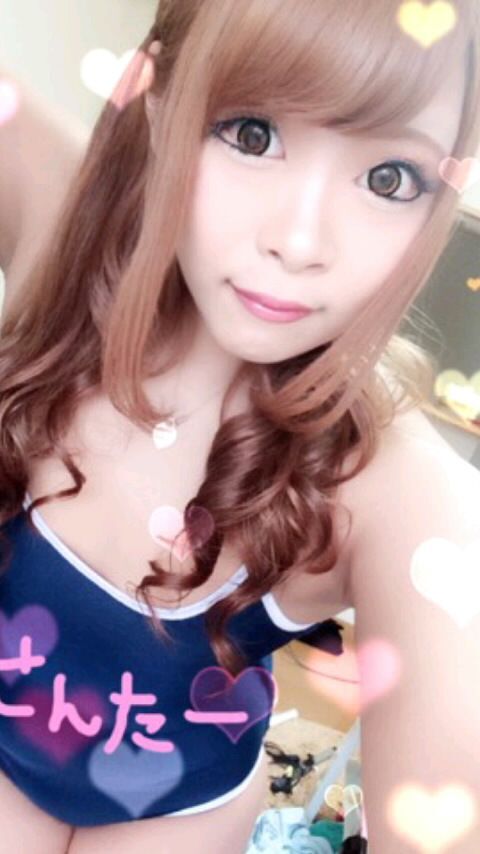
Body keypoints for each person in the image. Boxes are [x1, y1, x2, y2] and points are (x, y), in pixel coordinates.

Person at [0, 1, 479, 851]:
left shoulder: (399, 494)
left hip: (187, 808)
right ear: (159, 102)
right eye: (251, 134)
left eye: (390, 179)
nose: (298, 241)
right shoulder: (60, 244)